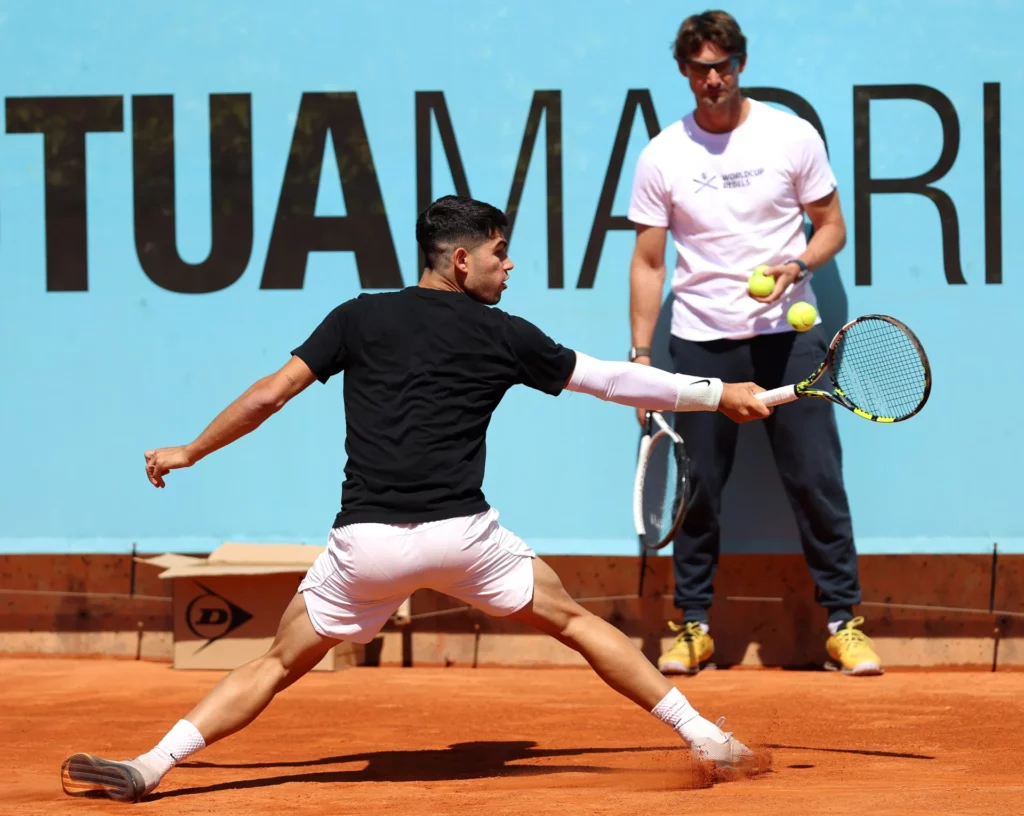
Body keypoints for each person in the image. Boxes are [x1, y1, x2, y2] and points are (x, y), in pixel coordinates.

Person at [60, 194, 773, 803]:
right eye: (500, 252)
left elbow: (270, 396)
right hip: (463, 538)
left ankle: (151, 765)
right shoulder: (505, 335)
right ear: (461, 261)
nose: (510, 265)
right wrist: (718, 394)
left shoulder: (358, 318)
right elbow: (612, 381)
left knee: (275, 663)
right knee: (576, 623)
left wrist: (190, 450)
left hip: (363, 547)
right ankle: (709, 739)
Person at [626, 10, 883, 677]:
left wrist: (797, 268)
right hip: (702, 342)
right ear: (684, 73)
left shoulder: (789, 136)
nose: (713, 80)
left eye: (725, 66)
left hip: (787, 340)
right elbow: (650, 263)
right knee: (698, 488)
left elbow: (831, 227)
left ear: (741, 65)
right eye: (701, 69)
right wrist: (642, 358)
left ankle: (843, 622)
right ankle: (693, 627)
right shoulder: (662, 154)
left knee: (816, 479)